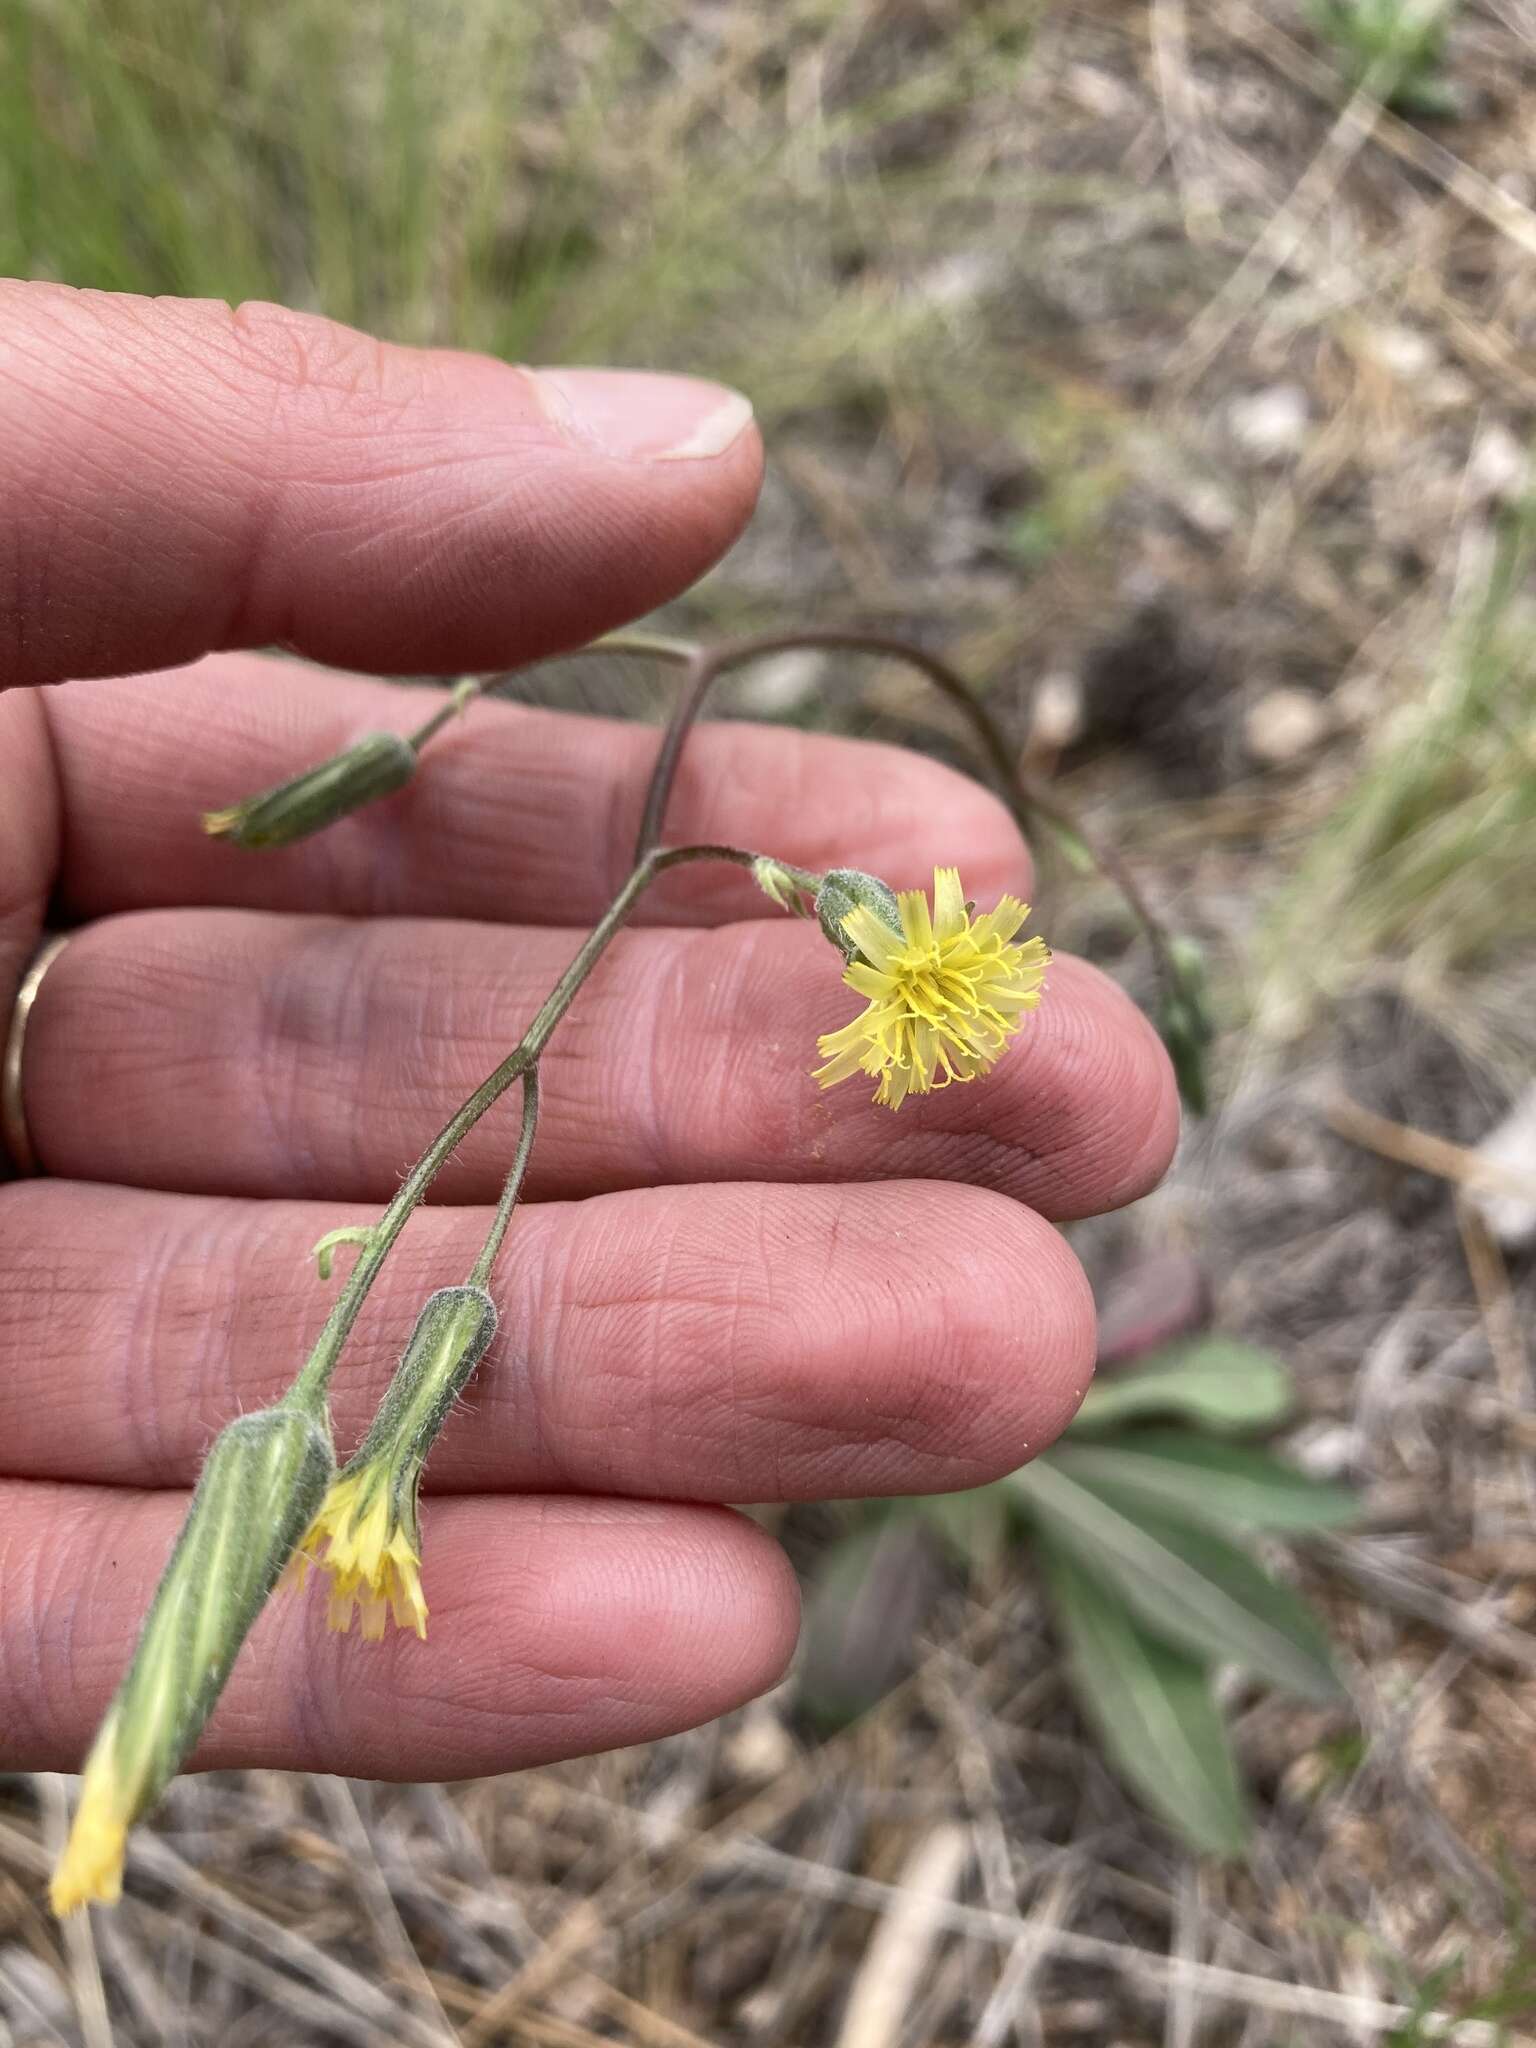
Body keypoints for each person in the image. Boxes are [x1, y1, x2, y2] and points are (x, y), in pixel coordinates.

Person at [0, 283, 1178, 1784]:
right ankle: (347, 1509)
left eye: (888, 950)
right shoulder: (831, 935)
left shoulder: (855, 926)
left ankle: (355, 1499)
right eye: (887, 951)